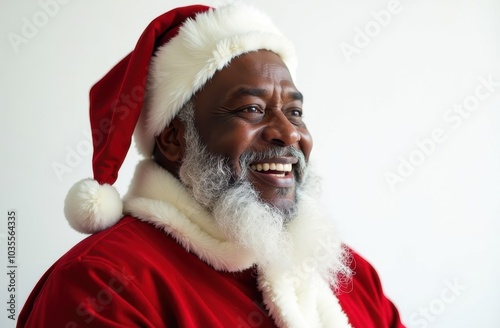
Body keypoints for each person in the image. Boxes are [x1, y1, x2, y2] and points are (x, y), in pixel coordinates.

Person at [18, 3, 405, 327]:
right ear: (173, 139)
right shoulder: (101, 282)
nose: (289, 134)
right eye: (252, 109)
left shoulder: (354, 277)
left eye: (295, 112)